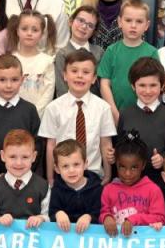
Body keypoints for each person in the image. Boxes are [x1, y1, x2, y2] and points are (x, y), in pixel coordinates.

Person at [40, 49, 117, 185]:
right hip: (63, 175)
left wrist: (107, 177)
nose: (79, 76)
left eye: (86, 72)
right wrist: (50, 179)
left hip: (93, 175)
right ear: (64, 75)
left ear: (94, 78)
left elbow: (105, 143)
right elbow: (51, 145)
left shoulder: (103, 108)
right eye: (74, 71)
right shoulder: (53, 108)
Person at [116, 57, 165, 182]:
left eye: (153, 85)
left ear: (162, 86)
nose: (147, 91)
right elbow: (119, 145)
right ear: (133, 86)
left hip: (157, 182)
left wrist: (163, 158)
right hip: (129, 181)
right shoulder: (125, 113)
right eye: (142, 85)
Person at [0, 54, 41, 174]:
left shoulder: (30, 110)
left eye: (14, 80)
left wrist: (26, 172)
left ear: (22, 80)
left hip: (24, 175)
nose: (8, 85)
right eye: (2, 80)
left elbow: (37, 146)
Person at [97, 0, 159, 121]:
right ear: (120, 22)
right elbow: (104, 83)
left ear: (146, 25)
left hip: (143, 114)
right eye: (128, 20)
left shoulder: (152, 52)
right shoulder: (111, 51)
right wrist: (113, 110)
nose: (133, 25)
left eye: (139, 21)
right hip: (114, 113)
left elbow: (154, 85)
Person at [0, 129, 50, 227]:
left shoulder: (43, 186)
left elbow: (49, 217)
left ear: (34, 156)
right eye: (12, 157)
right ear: (3, 156)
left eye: (25, 157)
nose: (18, 163)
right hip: (4, 240)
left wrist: (41, 218)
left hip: (33, 239)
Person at [100, 131, 165, 236]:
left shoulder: (153, 190)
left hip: (143, 246)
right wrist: (106, 217)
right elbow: (103, 212)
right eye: (122, 167)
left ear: (143, 165)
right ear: (116, 163)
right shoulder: (108, 189)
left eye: (134, 167)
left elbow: (160, 218)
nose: (127, 173)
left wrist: (133, 219)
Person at [7, 9, 57, 116]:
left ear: (42, 34)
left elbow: (48, 93)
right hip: (12, 115)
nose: (29, 33)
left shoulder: (47, 61)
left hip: (39, 118)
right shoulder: (10, 60)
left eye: (35, 30)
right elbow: (6, 88)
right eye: (24, 29)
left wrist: (34, 114)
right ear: (17, 31)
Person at [48, 139, 103, 234]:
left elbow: (101, 213)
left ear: (85, 164)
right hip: (65, 237)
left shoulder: (97, 189)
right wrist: (58, 214)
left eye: (76, 164)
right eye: (65, 166)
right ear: (57, 169)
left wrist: (89, 217)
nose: (71, 170)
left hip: (90, 238)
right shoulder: (56, 190)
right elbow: (51, 212)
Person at [55, 5, 104, 97]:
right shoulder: (62, 54)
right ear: (71, 21)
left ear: (94, 31)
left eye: (90, 25)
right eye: (81, 20)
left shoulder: (99, 53)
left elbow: (102, 85)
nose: (84, 26)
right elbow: (61, 88)